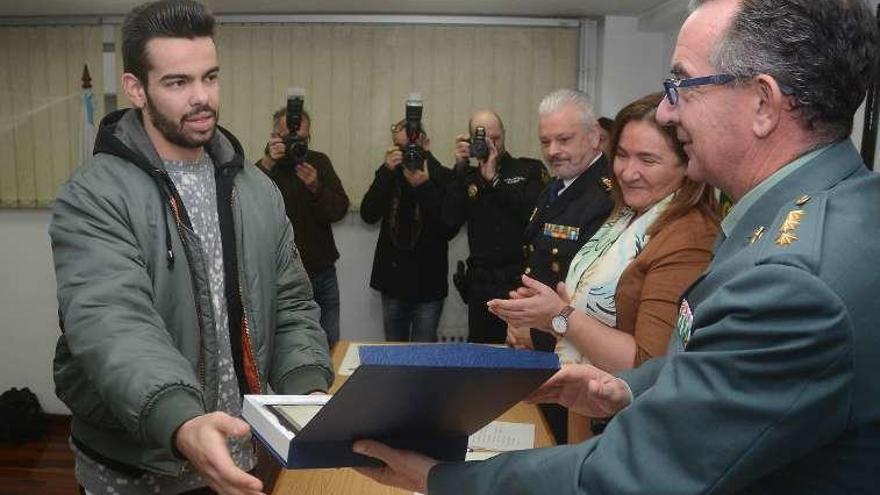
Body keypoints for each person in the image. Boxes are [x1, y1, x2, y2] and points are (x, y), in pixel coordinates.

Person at [352, 0, 880, 493]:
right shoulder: (832, 209)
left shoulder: (792, 277)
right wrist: (632, 389)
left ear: (763, 103)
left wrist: (445, 479)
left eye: (682, 87)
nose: (669, 114)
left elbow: (630, 475)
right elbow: (728, 369)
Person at [50, 1, 333, 494]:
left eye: (211, 77)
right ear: (137, 88)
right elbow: (112, 322)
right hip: (135, 469)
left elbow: (290, 304)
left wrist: (305, 391)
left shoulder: (257, 188)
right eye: (178, 82)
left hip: (241, 457)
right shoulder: (94, 194)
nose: (202, 97)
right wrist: (181, 421)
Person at [493, 92, 719, 440]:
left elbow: (648, 365)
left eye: (647, 160)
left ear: (685, 164)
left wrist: (561, 316)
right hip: (591, 413)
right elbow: (586, 320)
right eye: (623, 156)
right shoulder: (628, 215)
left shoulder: (688, 235)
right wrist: (545, 318)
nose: (628, 172)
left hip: (634, 427)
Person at [517, 89, 615, 354]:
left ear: (594, 136)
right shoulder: (556, 187)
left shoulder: (607, 198)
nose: (553, 151)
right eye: (545, 141)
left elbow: (592, 299)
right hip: (542, 338)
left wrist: (534, 334)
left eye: (563, 139)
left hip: (571, 348)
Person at [441, 109, 545, 344]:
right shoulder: (467, 177)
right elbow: (448, 223)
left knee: (519, 354)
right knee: (481, 357)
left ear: (504, 135)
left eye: (496, 138)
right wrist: (458, 169)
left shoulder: (527, 170)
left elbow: (533, 216)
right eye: (484, 140)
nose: (491, 145)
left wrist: (495, 181)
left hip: (519, 284)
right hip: (481, 287)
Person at [258, 106, 350, 349]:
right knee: (288, 348)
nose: (297, 143)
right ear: (276, 136)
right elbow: (247, 207)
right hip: (282, 277)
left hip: (321, 272)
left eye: (303, 138)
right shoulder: (265, 169)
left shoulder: (318, 162)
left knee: (330, 346)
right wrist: (268, 162)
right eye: (291, 137)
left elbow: (339, 210)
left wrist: (316, 187)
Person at [360, 119, 456, 342]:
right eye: (401, 148)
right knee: (394, 354)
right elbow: (368, 214)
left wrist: (423, 187)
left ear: (427, 143)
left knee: (424, 360)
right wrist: (385, 172)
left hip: (429, 285)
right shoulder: (390, 174)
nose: (408, 154)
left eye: (412, 147)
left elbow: (448, 227)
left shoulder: (443, 176)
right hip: (394, 282)